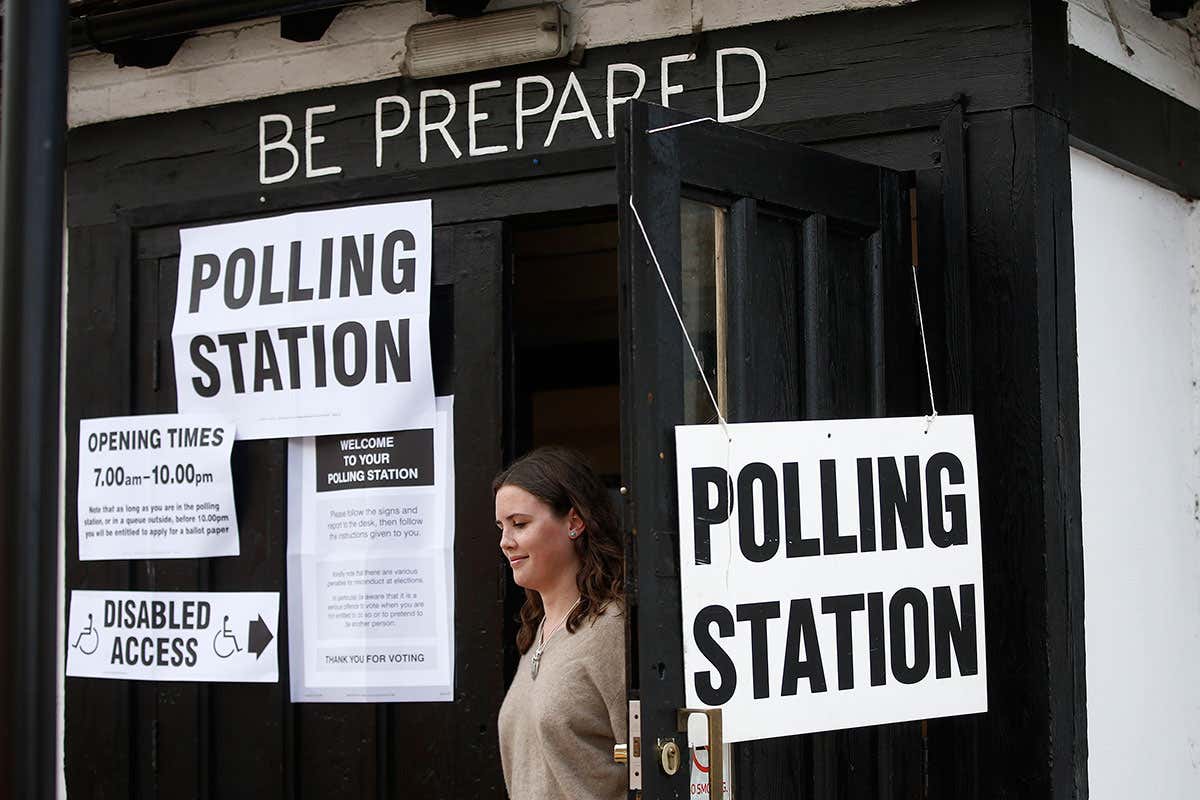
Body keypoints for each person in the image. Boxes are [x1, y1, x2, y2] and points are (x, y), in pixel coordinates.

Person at [494, 446, 627, 800]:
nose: (506, 542)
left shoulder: (611, 628)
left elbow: (654, 767)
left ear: (574, 522)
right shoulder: (539, 630)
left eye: (520, 524)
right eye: (502, 527)